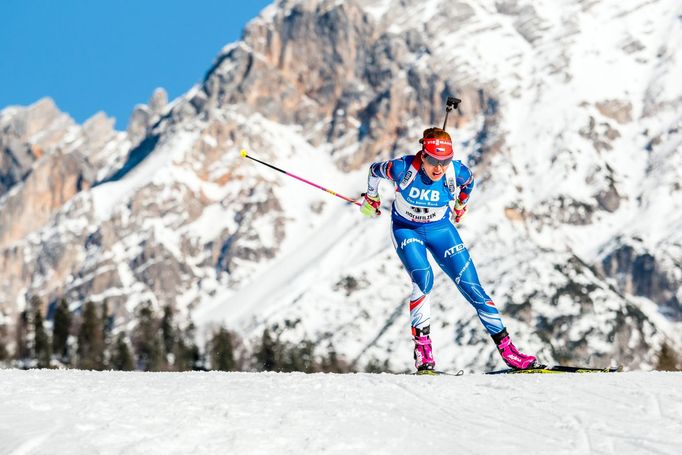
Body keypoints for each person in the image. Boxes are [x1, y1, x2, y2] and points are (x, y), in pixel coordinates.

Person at [360, 127, 537, 372]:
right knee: (424, 278)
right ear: (423, 155)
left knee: (472, 286)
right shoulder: (402, 169)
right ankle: (423, 352)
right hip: (406, 229)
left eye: (445, 161)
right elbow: (374, 171)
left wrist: (461, 205)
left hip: (440, 230)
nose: (439, 168)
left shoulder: (457, 172)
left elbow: (469, 183)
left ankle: (509, 352)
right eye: (433, 160)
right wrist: (372, 198)